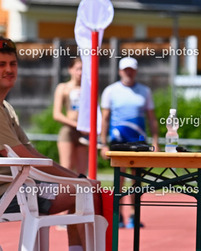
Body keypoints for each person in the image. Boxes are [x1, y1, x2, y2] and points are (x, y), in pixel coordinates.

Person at [0, 37, 102, 250]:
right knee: (84, 192)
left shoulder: (6, 107)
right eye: (1, 64)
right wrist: (80, 181)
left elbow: (31, 152)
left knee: (83, 189)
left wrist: (78, 180)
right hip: (10, 191)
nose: (9, 70)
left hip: (20, 187)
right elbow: (24, 158)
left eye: (13, 64)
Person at [100, 56, 158, 228]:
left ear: (136, 71)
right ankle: (117, 215)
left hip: (139, 141)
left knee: (136, 179)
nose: (129, 73)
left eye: (131, 70)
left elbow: (152, 119)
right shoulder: (110, 91)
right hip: (118, 141)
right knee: (119, 179)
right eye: (126, 70)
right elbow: (104, 119)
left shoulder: (145, 91)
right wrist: (103, 144)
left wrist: (155, 141)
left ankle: (134, 214)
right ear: (120, 71)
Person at [53, 58, 89, 175]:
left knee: (82, 172)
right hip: (69, 130)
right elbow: (57, 114)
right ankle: (66, 193)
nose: (80, 72)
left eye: (83, 70)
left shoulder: (88, 88)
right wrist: (78, 125)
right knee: (66, 168)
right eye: (78, 69)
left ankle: (82, 193)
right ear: (70, 70)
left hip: (84, 133)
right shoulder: (63, 88)